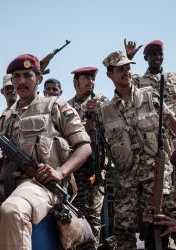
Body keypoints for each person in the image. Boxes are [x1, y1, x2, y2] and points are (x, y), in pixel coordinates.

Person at [0, 54, 92, 250]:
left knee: (12, 211)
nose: (21, 81)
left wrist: (60, 172)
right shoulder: (7, 116)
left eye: (27, 75)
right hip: (6, 183)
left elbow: (84, 146)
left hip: (42, 183)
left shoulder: (56, 105)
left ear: (39, 79)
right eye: (16, 76)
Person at [99, 50, 176, 250]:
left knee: (157, 224)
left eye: (127, 68)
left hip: (155, 171)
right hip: (126, 177)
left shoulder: (148, 94)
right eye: (120, 69)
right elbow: (100, 143)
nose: (126, 72)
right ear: (110, 74)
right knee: (123, 227)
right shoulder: (105, 110)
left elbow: (170, 119)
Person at [67, 67, 108, 249]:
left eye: (92, 79)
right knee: (74, 211)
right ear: (76, 82)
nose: (90, 82)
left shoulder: (101, 102)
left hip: (94, 167)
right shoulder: (65, 106)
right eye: (86, 78)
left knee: (93, 216)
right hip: (74, 168)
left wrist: (98, 116)